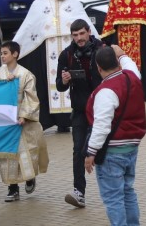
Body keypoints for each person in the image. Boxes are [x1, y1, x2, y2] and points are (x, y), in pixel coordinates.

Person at [15, 0, 99, 132]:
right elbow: (28, 29)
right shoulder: (39, 5)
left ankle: (73, 119)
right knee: (51, 84)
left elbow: (89, 28)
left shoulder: (74, 4)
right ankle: (53, 120)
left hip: (73, 52)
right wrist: (15, 48)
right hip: (47, 53)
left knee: (75, 81)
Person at [85, 45, 146, 226]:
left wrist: (90, 152)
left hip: (112, 152)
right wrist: (122, 54)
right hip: (131, 148)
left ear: (98, 68)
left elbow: (101, 127)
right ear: (116, 63)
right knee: (127, 191)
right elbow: (131, 65)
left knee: (113, 198)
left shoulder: (106, 91)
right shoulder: (131, 77)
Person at [55, 19, 104, 208]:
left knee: (101, 151)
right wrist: (65, 80)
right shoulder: (67, 55)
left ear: (89, 32)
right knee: (78, 150)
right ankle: (79, 193)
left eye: (82, 34)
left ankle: (111, 189)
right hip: (79, 110)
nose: (79, 38)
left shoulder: (101, 50)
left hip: (101, 110)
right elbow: (59, 86)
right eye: (75, 35)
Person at [0, 40, 49, 202]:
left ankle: (30, 177)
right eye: (1, 53)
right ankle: (13, 188)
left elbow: (32, 98)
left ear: (15, 54)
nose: (2, 56)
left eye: (5, 53)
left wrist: (24, 115)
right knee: (8, 155)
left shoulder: (26, 74)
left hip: (23, 121)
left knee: (27, 152)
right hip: (5, 121)